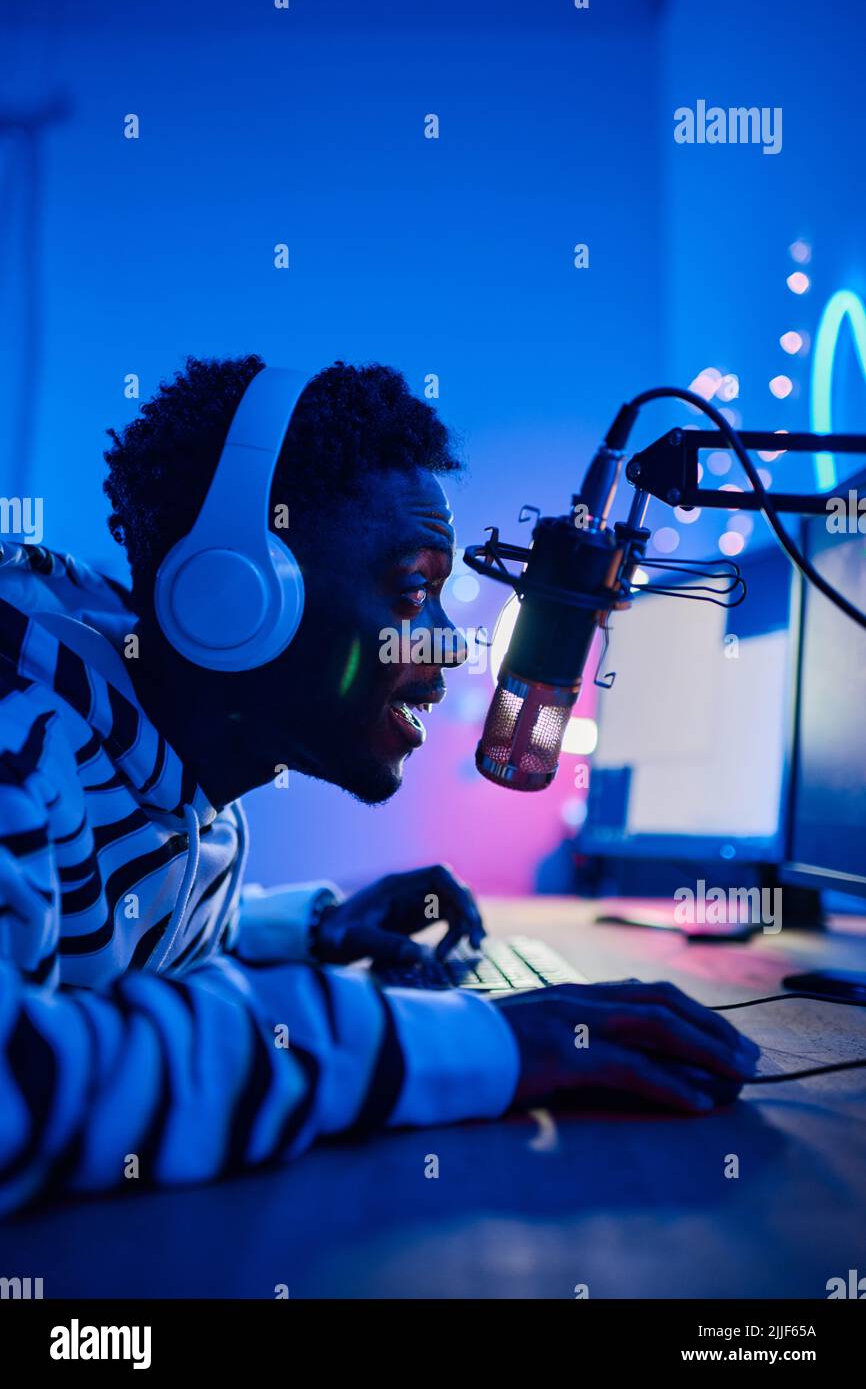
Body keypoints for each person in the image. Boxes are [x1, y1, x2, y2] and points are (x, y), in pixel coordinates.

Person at [0, 357, 759, 1213]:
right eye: (412, 591)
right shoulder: (19, 748)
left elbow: (83, 951)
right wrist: (475, 1045)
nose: (447, 648)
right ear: (235, 595)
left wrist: (306, 929)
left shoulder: (163, 777)